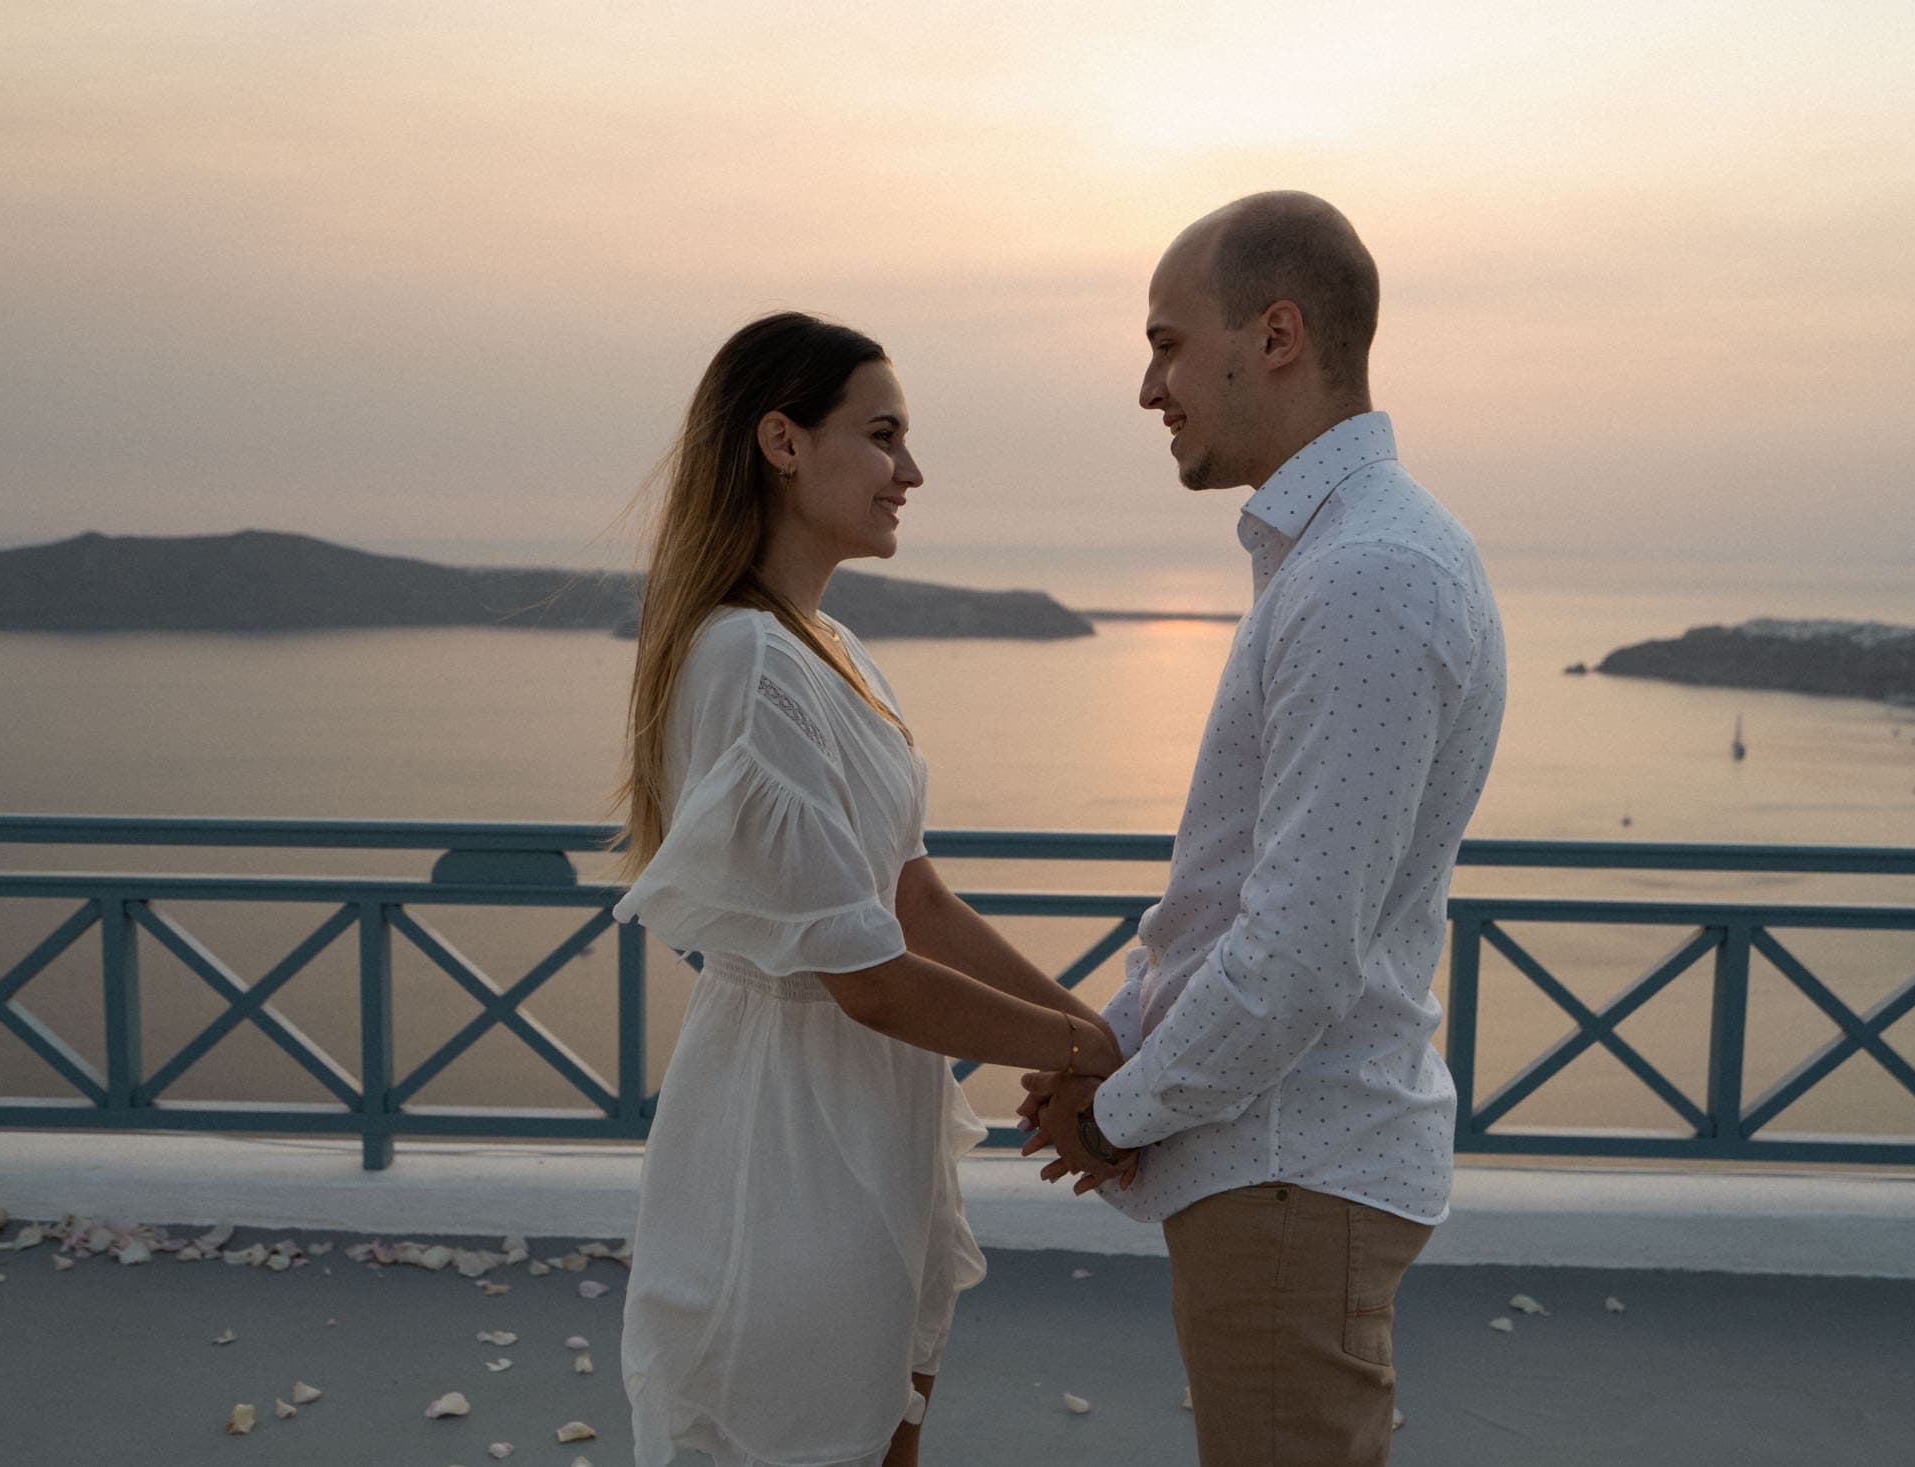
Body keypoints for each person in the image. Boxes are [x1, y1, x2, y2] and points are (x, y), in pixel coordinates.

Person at [1021, 191, 1508, 1467]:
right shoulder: (1344, 558)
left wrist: (1121, 1109)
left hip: (1291, 1167)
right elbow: (1237, 892)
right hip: (1282, 1166)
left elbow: (1294, 949)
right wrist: (1115, 1041)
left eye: (1168, 342)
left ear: (1276, 334)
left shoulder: (1366, 575)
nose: (1148, 387)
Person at [610, 311, 1122, 1467]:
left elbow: (917, 904)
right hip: (788, 1133)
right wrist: (1086, 1061)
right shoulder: (744, 659)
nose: (911, 472)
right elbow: (873, 983)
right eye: (883, 435)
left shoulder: (827, 648)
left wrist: (1093, 1034)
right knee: (791, 1435)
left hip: (869, 1120)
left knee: (884, 1429)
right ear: (781, 441)